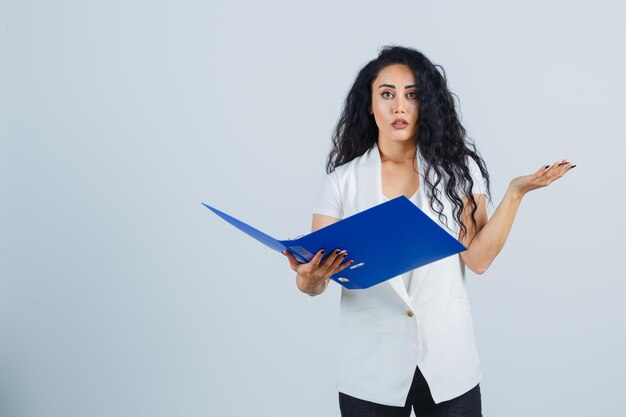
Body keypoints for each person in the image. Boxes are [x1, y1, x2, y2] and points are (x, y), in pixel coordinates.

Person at [282, 45, 575, 417]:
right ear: (369, 105)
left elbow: (480, 259)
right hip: (370, 367)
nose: (399, 107)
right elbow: (315, 280)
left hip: (448, 362)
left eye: (412, 95)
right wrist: (308, 279)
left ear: (427, 104)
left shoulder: (458, 172)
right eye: (387, 94)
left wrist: (515, 193)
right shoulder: (342, 182)